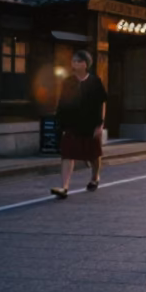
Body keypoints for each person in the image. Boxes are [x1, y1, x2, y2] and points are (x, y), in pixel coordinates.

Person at [52, 50, 108, 196]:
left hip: (91, 124)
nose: (74, 63)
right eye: (73, 61)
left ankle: (95, 177)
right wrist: (61, 121)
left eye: (77, 61)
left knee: (93, 154)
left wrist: (100, 124)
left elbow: (102, 103)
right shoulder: (68, 81)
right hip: (72, 123)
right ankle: (64, 187)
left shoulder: (95, 82)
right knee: (67, 154)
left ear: (85, 64)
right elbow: (63, 102)